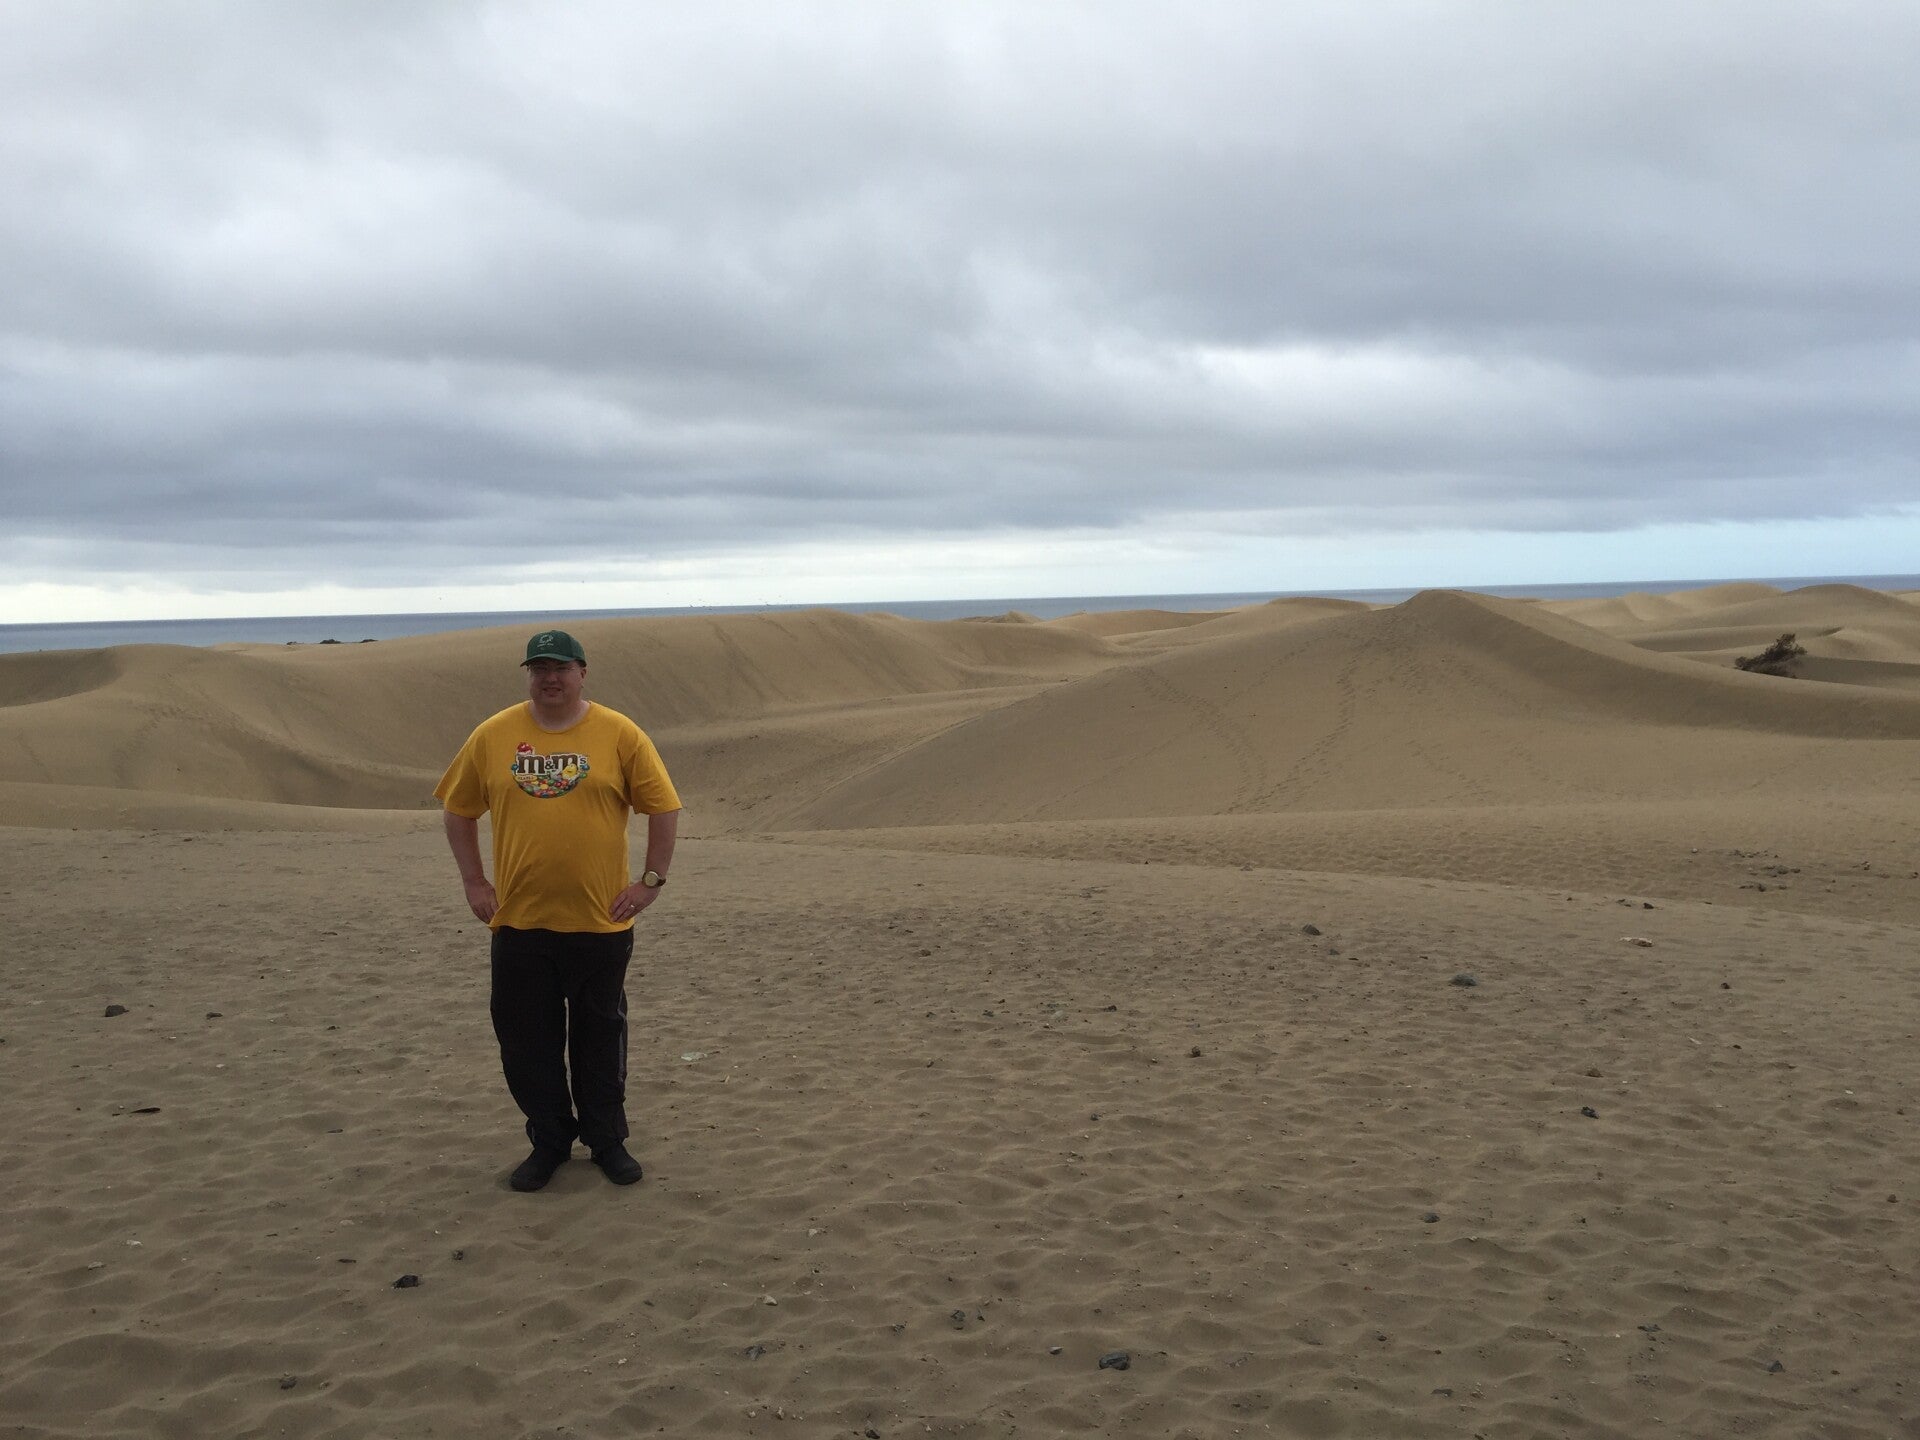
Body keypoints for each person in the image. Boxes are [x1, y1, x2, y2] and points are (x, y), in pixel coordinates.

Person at [435, 629, 682, 1192]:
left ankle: (606, 1141)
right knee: (527, 1043)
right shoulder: (493, 734)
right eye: (539, 668)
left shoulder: (620, 733)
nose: (550, 678)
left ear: (582, 673)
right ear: (529, 674)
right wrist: (474, 882)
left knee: (600, 1040)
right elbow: (458, 810)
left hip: (601, 921)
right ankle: (548, 1141)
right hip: (520, 922)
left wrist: (650, 881)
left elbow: (663, 806)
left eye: (561, 668)